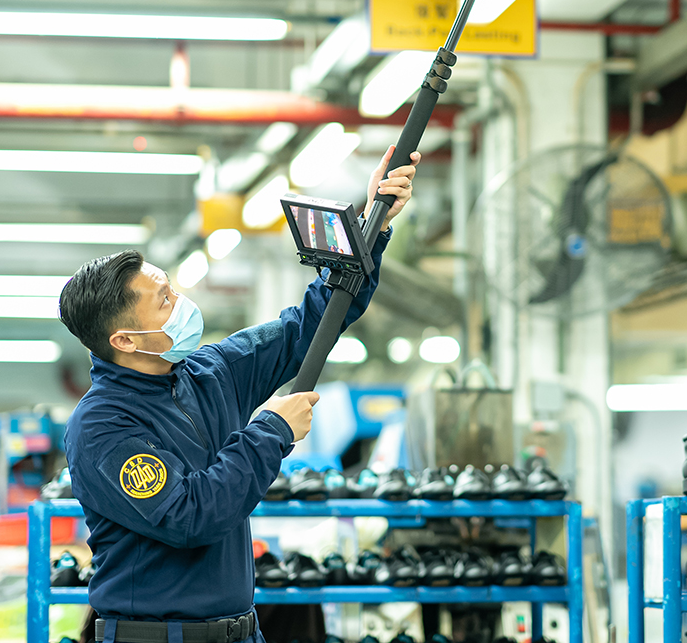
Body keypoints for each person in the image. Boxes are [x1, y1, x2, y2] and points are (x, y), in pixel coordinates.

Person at [59, 147, 419, 643]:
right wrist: (271, 431)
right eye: (164, 302)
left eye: (172, 289)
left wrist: (369, 228)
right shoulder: (102, 425)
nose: (181, 303)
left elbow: (309, 327)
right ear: (124, 340)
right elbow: (190, 515)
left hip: (238, 632)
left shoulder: (211, 371)